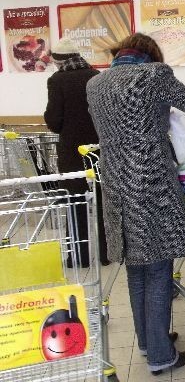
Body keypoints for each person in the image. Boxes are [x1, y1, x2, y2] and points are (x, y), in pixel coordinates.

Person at [86, 33, 185, 375]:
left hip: (117, 184)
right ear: (151, 55)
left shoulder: (95, 84)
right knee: (159, 267)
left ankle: (150, 341)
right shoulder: (154, 75)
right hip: (152, 182)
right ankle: (162, 355)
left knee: (136, 269)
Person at [44, 37, 108, 267]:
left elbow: (54, 120)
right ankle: (107, 253)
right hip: (100, 149)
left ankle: (79, 256)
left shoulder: (57, 80)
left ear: (58, 61)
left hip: (73, 153)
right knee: (103, 202)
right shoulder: (96, 77)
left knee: (76, 202)